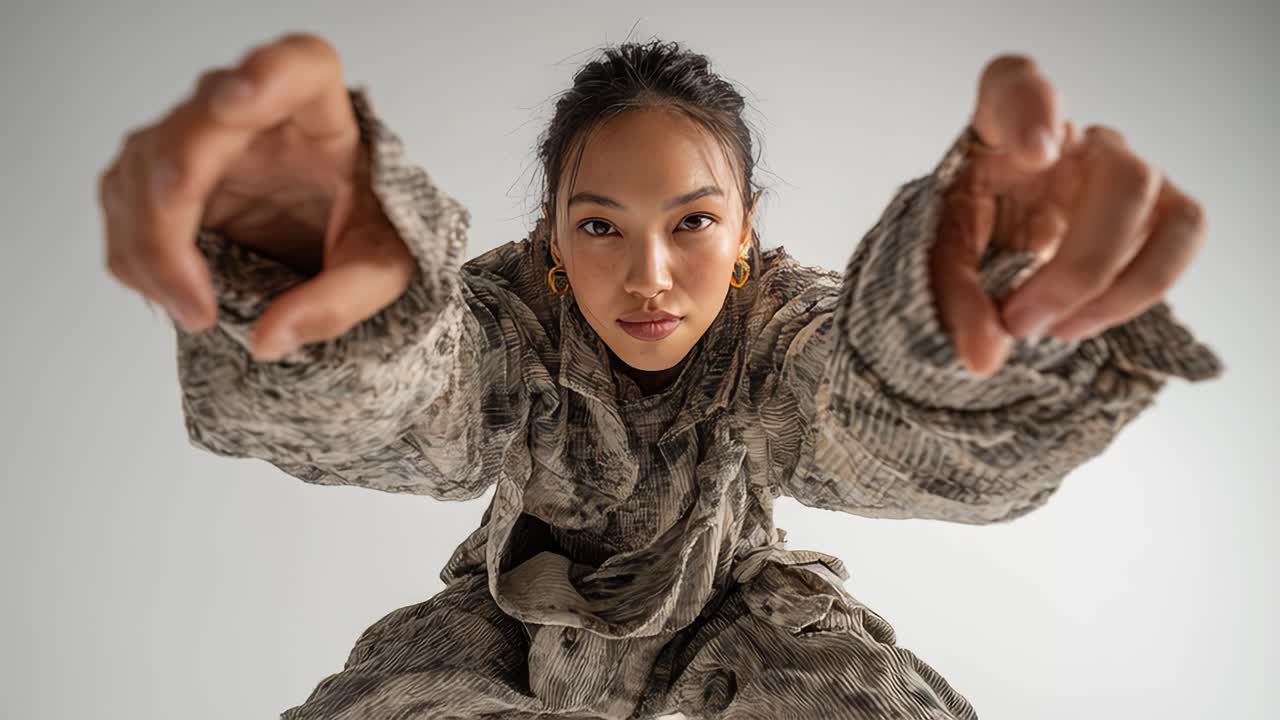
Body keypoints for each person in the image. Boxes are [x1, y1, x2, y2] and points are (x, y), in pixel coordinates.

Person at [99, 32, 1223, 720]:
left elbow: (863, 411)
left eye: (691, 222)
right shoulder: (510, 317)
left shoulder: (774, 322)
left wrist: (968, 334)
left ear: (744, 233)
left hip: (739, 609)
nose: (650, 277)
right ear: (548, 235)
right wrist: (319, 301)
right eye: (599, 225)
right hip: (504, 612)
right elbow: (423, 397)